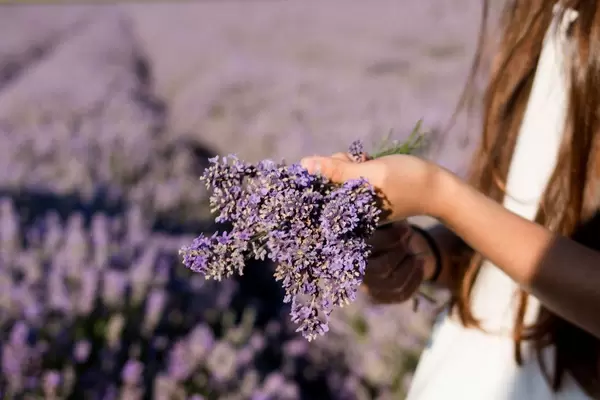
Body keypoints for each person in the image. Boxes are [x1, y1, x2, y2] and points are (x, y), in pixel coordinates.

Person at [301, 1, 600, 399]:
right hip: (466, 370)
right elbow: (517, 211)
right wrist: (424, 255)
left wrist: (439, 196)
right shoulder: (537, 11)